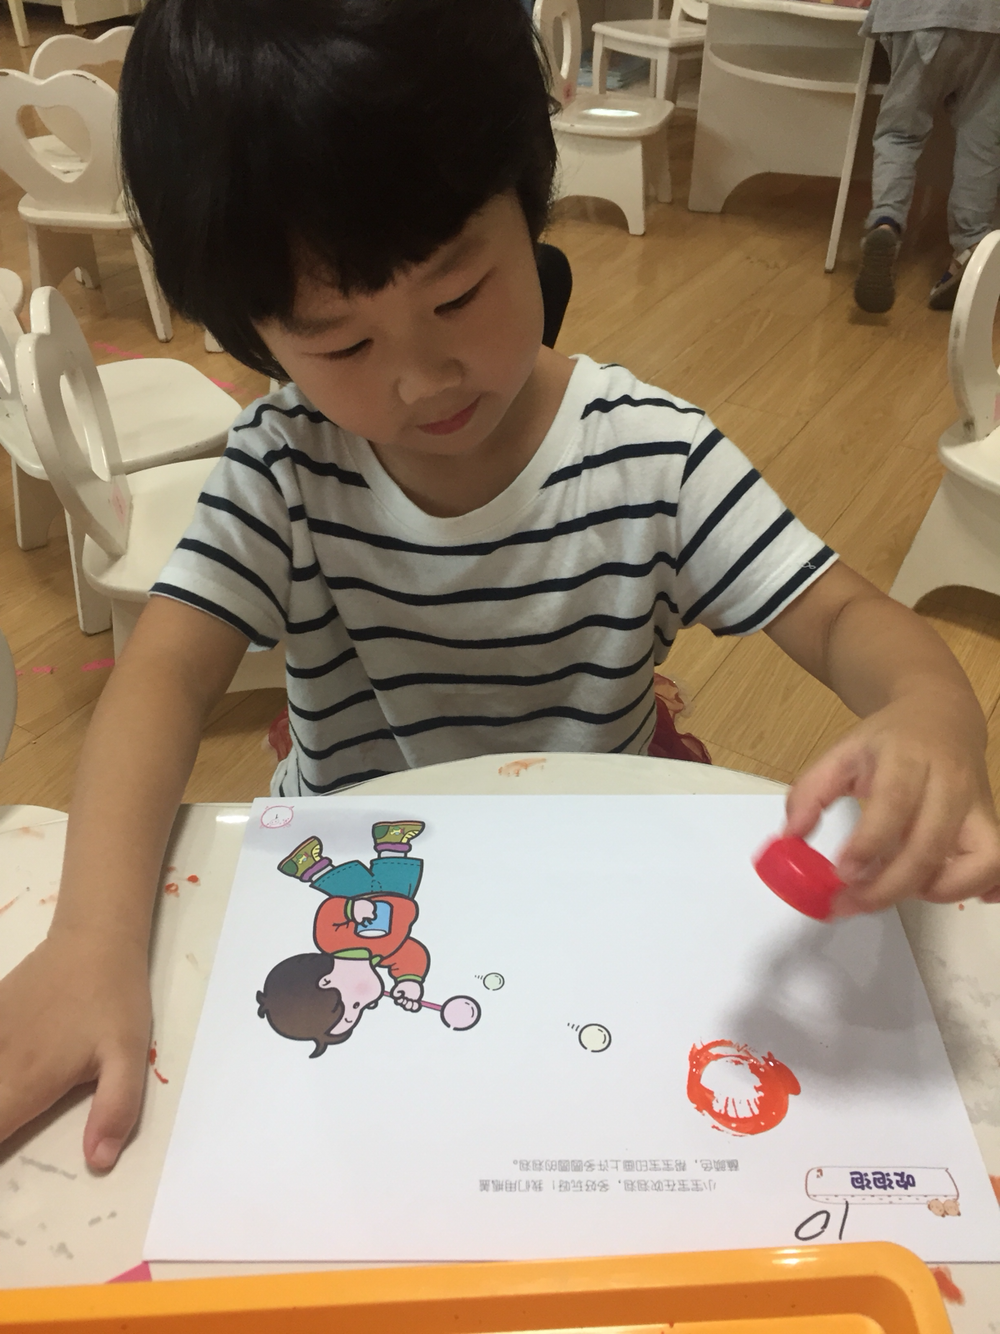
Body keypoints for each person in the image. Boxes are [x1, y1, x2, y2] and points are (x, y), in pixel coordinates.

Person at [0, 0, 998, 1173]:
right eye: (344, 344)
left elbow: (844, 616)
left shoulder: (649, 454)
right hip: (359, 899)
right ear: (260, 338)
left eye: (459, 295)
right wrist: (91, 939)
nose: (424, 377)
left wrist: (931, 713)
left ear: (528, 210)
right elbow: (163, 675)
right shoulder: (281, 470)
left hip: (596, 881)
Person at [854, 0, 1000, 314]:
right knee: (981, 141)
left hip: (916, 14)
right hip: (990, 20)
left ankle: (885, 223)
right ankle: (972, 247)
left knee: (900, 133)